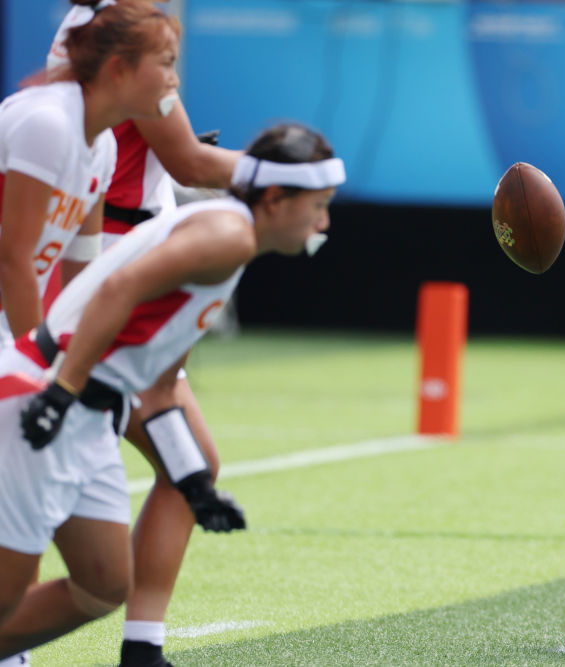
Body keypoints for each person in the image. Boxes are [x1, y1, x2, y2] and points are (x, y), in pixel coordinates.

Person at [0, 122, 342, 661]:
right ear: (275, 199)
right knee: (7, 593)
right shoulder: (227, 236)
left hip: (92, 414)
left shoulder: (231, 243)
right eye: (318, 205)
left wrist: (194, 484)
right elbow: (119, 287)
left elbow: (159, 390)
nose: (324, 222)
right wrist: (61, 392)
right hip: (47, 399)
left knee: (103, 586)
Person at [47, 3, 245, 665]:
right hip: (101, 272)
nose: (172, 78)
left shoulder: (106, 29)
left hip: (106, 260)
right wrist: (286, 173)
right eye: (165, 64)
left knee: (189, 465)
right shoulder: (119, 29)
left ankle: (141, 647)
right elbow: (189, 162)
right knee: (45, 478)